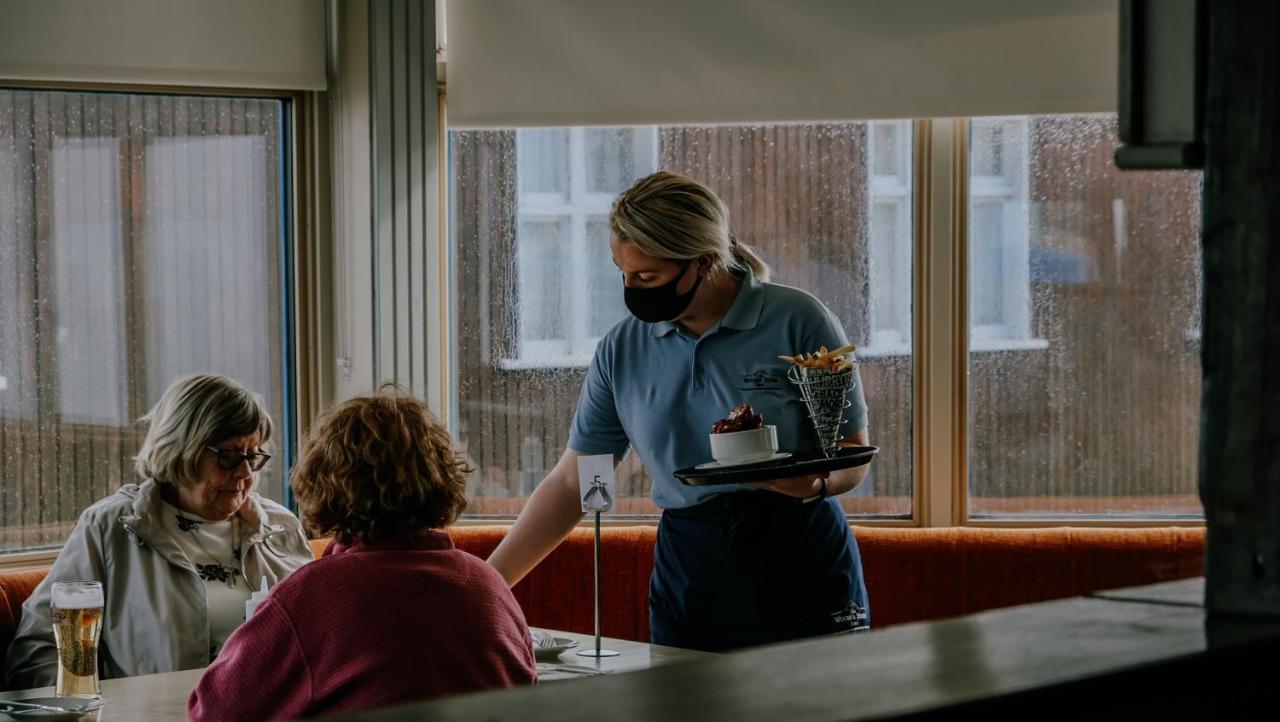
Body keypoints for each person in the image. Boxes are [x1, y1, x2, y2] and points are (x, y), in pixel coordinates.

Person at [488, 171, 874, 652]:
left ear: (704, 262)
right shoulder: (622, 349)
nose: (631, 289)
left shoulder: (800, 318)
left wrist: (816, 484)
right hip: (692, 569)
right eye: (623, 273)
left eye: (647, 277)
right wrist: (486, 585)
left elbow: (852, 453)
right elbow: (576, 482)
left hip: (802, 557)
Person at [189, 390, 536, 721]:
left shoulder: (314, 597)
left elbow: (215, 712)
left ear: (323, 482)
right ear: (442, 477)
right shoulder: (490, 585)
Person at [4, 374, 313, 688]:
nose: (245, 472)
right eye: (229, 456)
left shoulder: (280, 527)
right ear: (181, 449)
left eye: (253, 455)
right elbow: (38, 651)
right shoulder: (111, 528)